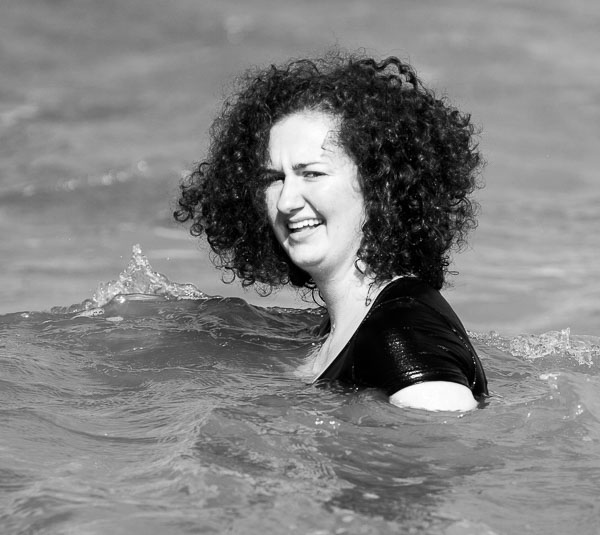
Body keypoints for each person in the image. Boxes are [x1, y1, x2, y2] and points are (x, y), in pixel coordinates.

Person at [174, 51, 488, 411]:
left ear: (379, 185)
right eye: (275, 178)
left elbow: (445, 429)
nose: (286, 201)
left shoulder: (399, 334)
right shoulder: (347, 323)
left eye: (312, 174)